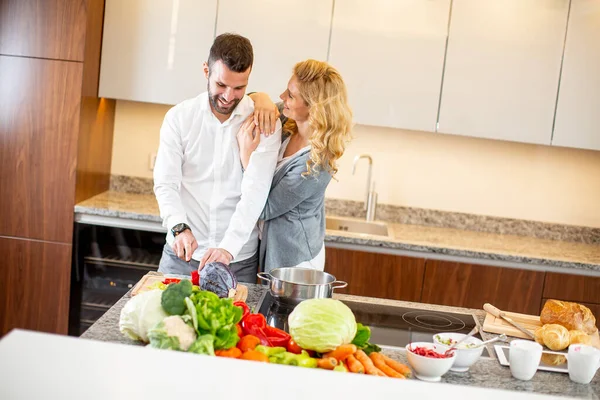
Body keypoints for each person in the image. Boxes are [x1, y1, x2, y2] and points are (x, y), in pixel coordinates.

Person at [153, 33, 282, 282]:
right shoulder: (179, 118)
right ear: (206, 71)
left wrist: (227, 248)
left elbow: (256, 192)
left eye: (239, 88)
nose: (228, 96)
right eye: (221, 85)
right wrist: (179, 226)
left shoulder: (265, 123)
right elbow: (166, 183)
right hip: (181, 256)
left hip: (237, 259)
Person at [237, 59, 353, 272]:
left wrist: (247, 157)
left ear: (313, 107)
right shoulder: (287, 118)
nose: (282, 98)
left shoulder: (317, 163)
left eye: (290, 95)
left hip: (295, 260)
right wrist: (261, 96)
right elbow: (256, 103)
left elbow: (264, 209)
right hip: (275, 250)